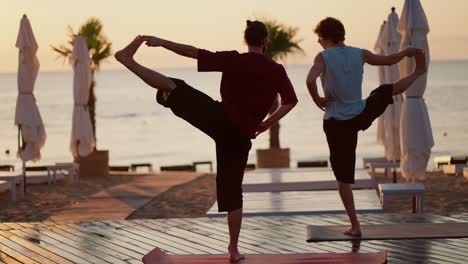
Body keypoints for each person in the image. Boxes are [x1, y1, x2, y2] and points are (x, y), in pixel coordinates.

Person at [115, 20, 298, 262]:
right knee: (234, 193)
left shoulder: (235, 59)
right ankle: (233, 250)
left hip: (219, 119)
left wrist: (162, 43)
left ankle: (129, 61)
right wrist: (268, 123)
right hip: (241, 136)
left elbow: (193, 52)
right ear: (265, 41)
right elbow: (290, 101)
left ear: (247, 40)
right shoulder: (276, 70)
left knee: (174, 86)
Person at [306, 17, 426, 237]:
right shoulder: (359, 53)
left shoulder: (322, 57)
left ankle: (355, 225)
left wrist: (319, 101)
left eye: (319, 39)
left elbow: (310, 80)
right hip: (360, 114)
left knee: (343, 180)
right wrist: (407, 52)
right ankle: (417, 73)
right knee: (385, 91)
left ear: (324, 37)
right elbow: (390, 60)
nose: (319, 42)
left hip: (336, 124)